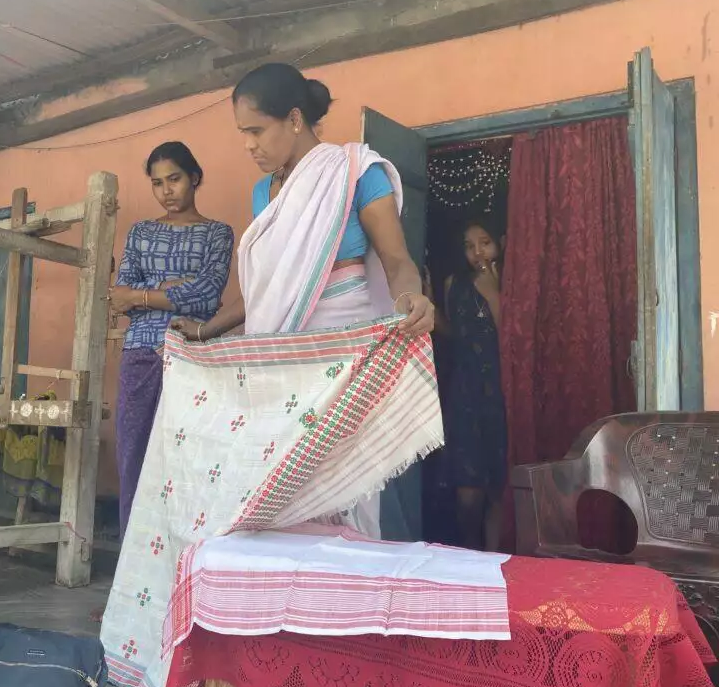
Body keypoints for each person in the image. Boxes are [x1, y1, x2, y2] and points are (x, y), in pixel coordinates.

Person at [171, 64, 434, 539]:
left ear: (294, 119)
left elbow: (397, 260)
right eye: (242, 134)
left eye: (256, 131)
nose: (248, 144)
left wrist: (410, 297)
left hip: (346, 354)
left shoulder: (356, 171)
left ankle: (343, 600)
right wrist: (206, 330)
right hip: (281, 360)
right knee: (276, 486)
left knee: (347, 490)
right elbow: (270, 292)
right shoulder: (263, 193)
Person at [110, 142, 234, 538]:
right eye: (157, 183)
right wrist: (171, 289)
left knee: (190, 460)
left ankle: (185, 566)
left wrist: (145, 294)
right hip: (141, 354)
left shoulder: (217, 233)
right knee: (135, 458)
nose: (167, 191)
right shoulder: (141, 232)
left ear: (194, 178)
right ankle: (133, 570)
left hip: (195, 356)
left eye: (175, 179)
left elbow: (209, 295)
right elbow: (119, 295)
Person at [434, 221, 508, 550]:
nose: (478, 253)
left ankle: (494, 557)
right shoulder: (454, 284)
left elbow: (510, 337)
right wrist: (432, 313)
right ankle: (469, 551)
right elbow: (455, 336)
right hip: (465, 392)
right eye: (469, 245)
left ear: (502, 242)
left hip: (501, 390)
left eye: (485, 242)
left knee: (498, 485)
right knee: (467, 490)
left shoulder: (512, 280)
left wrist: (493, 294)